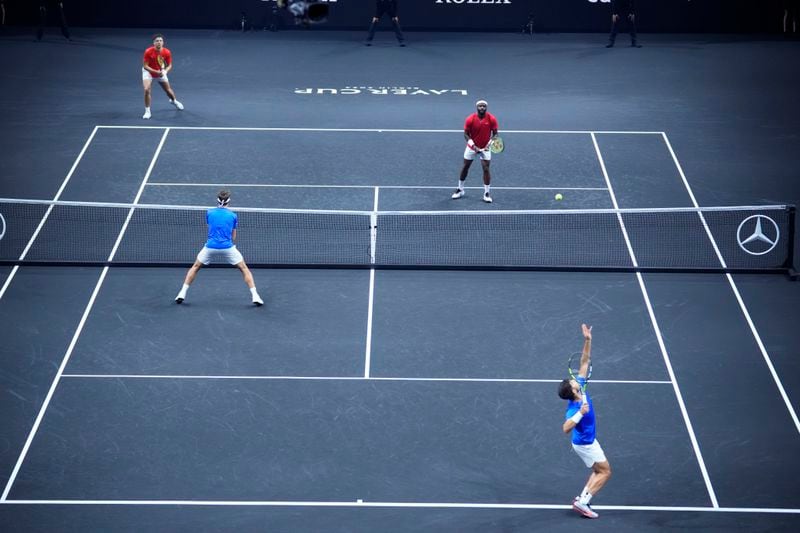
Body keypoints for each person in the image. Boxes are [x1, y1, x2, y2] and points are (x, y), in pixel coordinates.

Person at [558, 324, 612, 519]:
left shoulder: (580, 387)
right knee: (605, 472)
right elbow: (565, 428)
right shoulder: (574, 408)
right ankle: (583, 503)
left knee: (598, 470)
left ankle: (583, 499)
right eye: (573, 383)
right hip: (585, 444)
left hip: (586, 441)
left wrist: (587, 340)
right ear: (572, 392)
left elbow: (584, 361)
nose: (576, 380)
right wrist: (580, 413)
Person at [175, 190, 264, 306]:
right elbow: (233, 236)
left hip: (210, 246)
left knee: (196, 266)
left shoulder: (209, 213)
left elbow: (210, 227)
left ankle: (182, 293)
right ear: (229, 201)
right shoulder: (233, 216)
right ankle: (255, 295)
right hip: (228, 247)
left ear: (217, 200)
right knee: (244, 268)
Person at [451, 100, 499, 203]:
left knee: (486, 168)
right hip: (472, 146)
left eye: (484, 106)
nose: (482, 108)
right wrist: (473, 146)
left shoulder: (491, 119)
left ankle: (486, 193)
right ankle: (460, 189)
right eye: (480, 106)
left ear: (486, 108)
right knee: (465, 167)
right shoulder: (470, 119)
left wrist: (489, 144)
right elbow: (465, 134)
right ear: (477, 107)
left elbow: (495, 134)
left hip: (485, 147)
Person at [142, 34, 184, 120]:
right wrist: (155, 72)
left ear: (163, 42)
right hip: (148, 72)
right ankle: (147, 111)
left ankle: (174, 101)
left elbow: (169, 65)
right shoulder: (148, 51)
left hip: (160, 72)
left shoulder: (167, 52)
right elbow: (145, 66)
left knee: (168, 91)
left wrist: (165, 71)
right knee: (146, 89)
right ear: (153, 43)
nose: (159, 42)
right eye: (157, 41)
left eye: (160, 41)